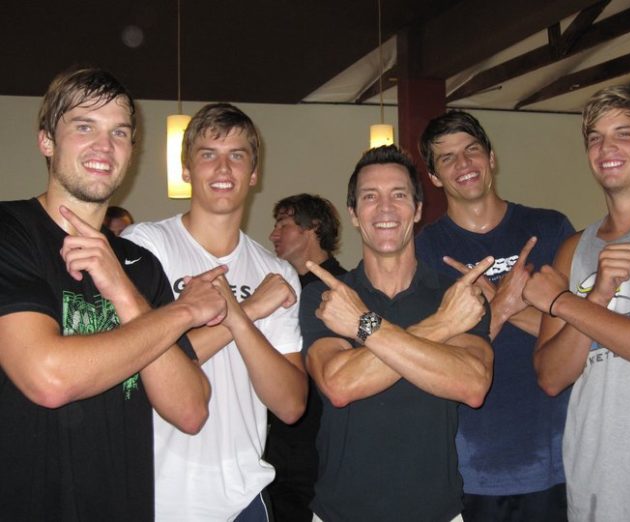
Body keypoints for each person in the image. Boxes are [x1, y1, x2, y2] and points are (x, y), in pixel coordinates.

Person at [0, 67, 222, 521]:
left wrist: (122, 290)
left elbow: (190, 410)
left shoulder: (141, 266)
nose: (104, 146)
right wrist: (183, 313)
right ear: (47, 141)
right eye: (85, 127)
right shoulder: (10, 232)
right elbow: (48, 379)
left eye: (119, 132)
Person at [122, 103, 307, 521]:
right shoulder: (146, 246)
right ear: (186, 169)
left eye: (237, 155)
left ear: (254, 174)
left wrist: (237, 316)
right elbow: (139, 355)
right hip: (155, 495)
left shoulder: (276, 273)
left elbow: (290, 405)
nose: (223, 168)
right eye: (208, 154)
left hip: (242, 498)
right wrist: (250, 309)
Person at [523, 85, 630, 521]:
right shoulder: (572, 250)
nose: (606, 148)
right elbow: (551, 377)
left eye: (624, 134)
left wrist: (565, 302)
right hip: (596, 485)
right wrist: (597, 294)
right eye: (595, 138)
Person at [301, 145, 495, 521]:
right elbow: (340, 385)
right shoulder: (327, 295)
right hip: (340, 514)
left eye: (399, 195)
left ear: (418, 209)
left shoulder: (456, 295)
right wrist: (443, 325)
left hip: (436, 513)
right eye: (370, 197)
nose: (385, 208)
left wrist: (362, 325)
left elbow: (472, 385)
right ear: (353, 214)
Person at [416, 111, 574, 521]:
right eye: (447, 158)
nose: (463, 164)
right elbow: (427, 356)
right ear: (433, 177)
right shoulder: (424, 251)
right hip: (471, 467)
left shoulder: (551, 228)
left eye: (471, 150)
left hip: (557, 457)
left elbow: (581, 335)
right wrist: (502, 307)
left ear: (492, 157)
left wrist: (504, 310)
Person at [266, 193, 347, 521]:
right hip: (278, 442)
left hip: (319, 446)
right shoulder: (275, 287)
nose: (273, 234)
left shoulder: (343, 288)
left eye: (283, 225)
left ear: (313, 228)